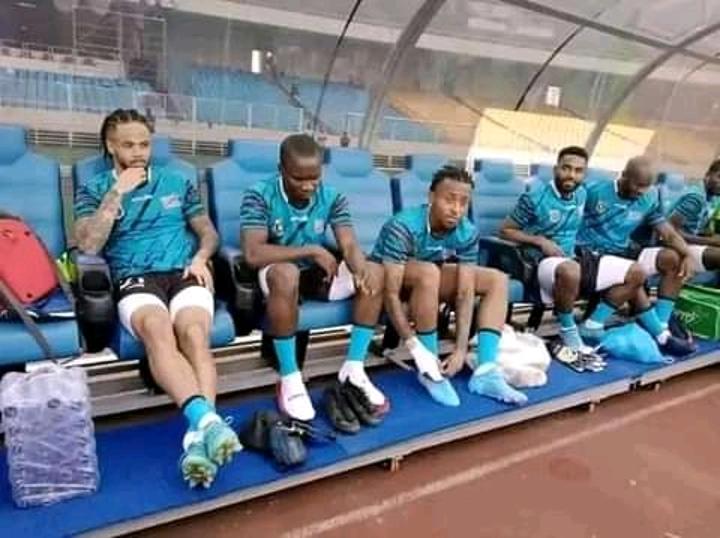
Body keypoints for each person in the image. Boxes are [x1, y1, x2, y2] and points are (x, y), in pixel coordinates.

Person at [74, 109, 241, 489]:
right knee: (156, 328)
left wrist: (201, 257)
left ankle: (199, 438)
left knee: (195, 335)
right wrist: (117, 193)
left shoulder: (176, 182)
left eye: (144, 144)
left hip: (183, 271)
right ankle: (208, 422)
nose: (138, 152)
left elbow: (208, 233)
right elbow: (89, 244)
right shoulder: (95, 188)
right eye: (128, 145)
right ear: (110, 146)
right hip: (134, 276)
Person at [239, 133, 387, 422]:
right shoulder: (259, 194)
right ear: (281, 170)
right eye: (298, 178)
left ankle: (354, 369)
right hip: (276, 272)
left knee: (375, 272)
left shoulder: (332, 196)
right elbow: (253, 254)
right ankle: (290, 378)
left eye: (314, 178)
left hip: (318, 274)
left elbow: (349, 244)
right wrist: (311, 249)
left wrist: (360, 268)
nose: (308, 186)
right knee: (287, 273)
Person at [371, 165, 527, 407]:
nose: (456, 209)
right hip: (384, 281)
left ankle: (486, 372)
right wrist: (416, 349)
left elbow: (465, 292)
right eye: (449, 200)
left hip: (427, 281)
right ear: (431, 197)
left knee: (496, 279)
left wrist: (460, 350)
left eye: (464, 202)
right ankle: (430, 368)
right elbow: (390, 293)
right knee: (429, 272)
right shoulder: (402, 226)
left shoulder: (467, 232)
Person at [500, 146, 646, 352]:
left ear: (584, 174)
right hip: (540, 263)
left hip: (575, 257)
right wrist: (540, 241)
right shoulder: (534, 197)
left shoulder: (582, 194)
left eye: (578, 171)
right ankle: (568, 330)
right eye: (566, 168)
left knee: (636, 271)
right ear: (556, 169)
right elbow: (505, 230)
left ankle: (592, 325)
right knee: (571, 270)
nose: (571, 175)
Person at [576, 156, 694, 354]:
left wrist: (687, 254)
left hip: (623, 252)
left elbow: (668, 233)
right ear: (623, 176)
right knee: (633, 273)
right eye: (637, 185)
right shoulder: (594, 191)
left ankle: (661, 325)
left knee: (673, 259)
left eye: (646, 186)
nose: (641, 191)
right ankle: (660, 336)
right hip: (591, 254)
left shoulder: (649, 197)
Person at [667, 158, 720, 272]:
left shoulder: (712, 197)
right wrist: (711, 241)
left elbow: (694, 227)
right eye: (719, 177)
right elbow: (670, 231)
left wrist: (710, 236)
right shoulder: (696, 198)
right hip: (674, 246)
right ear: (708, 175)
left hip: (688, 243)